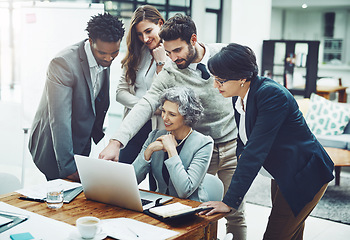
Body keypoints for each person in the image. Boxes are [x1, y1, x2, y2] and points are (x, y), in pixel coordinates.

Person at [100, 14, 247, 239]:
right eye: (168, 52)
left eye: (177, 50)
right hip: (198, 150)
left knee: (235, 214)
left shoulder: (223, 54)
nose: (172, 57)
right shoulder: (171, 70)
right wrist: (115, 142)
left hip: (230, 147)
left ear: (194, 39)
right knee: (198, 215)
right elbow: (147, 104)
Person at [199, 43, 334, 239]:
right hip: (282, 172)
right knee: (291, 234)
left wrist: (229, 202)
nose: (215, 86)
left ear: (242, 78)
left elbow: (255, 150)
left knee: (276, 234)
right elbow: (244, 142)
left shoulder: (271, 95)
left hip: (304, 173)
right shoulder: (240, 96)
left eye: (220, 81)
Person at [28, 13, 125, 181]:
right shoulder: (63, 64)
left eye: (114, 53)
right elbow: (60, 120)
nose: (109, 58)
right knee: (59, 198)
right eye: (103, 53)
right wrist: (68, 168)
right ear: (90, 40)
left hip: (81, 142)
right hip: (53, 146)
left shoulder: (105, 56)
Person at [133, 87, 213, 202]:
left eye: (172, 114)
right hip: (159, 206)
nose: (165, 118)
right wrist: (148, 151)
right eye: (164, 111)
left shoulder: (203, 144)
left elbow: (184, 191)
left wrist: (171, 150)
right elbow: (132, 181)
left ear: (187, 117)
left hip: (190, 209)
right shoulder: (155, 136)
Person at [117, 5, 167, 164]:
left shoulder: (173, 54)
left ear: (160, 23)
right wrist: (146, 107)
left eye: (148, 31)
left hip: (159, 129)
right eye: (139, 34)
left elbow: (165, 95)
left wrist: (161, 63)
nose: (145, 39)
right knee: (123, 176)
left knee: (156, 182)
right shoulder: (136, 54)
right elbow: (120, 93)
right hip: (134, 124)